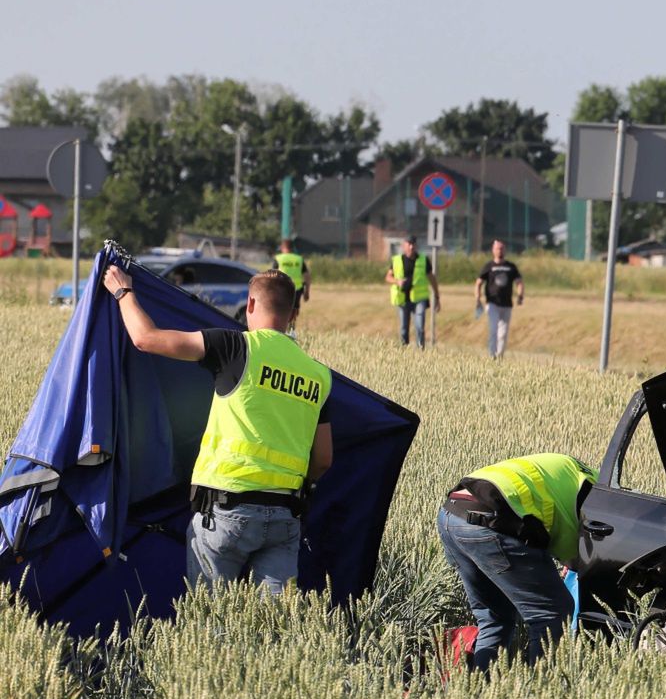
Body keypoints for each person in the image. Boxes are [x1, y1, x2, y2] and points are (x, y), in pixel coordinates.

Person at [100, 265, 333, 593]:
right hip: (285, 517)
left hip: (226, 512)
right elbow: (323, 458)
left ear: (250, 304)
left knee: (213, 617)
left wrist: (123, 292)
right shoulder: (318, 375)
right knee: (277, 620)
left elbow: (145, 338)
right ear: (293, 313)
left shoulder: (236, 347)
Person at [437, 453, 598, 670]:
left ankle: (480, 686)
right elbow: (580, 552)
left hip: (451, 514)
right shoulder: (598, 497)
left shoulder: (579, 473)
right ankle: (540, 685)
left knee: (494, 618)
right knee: (552, 612)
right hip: (491, 520)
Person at [385, 236, 439, 349]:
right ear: (404, 246)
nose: (411, 247)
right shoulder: (397, 260)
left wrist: (437, 296)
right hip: (403, 298)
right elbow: (388, 277)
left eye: (413, 244)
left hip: (419, 298)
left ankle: (420, 349)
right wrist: (397, 281)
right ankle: (404, 349)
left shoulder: (424, 260)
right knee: (404, 328)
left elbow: (432, 278)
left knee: (419, 326)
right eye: (409, 244)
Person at [474, 240, 524, 359]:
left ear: (505, 250)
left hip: (507, 304)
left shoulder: (511, 267)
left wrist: (520, 295)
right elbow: (478, 283)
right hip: (492, 303)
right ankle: (492, 356)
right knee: (493, 329)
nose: (500, 251)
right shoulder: (489, 266)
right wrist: (478, 298)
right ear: (493, 250)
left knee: (503, 333)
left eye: (502, 248)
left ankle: (499, 356)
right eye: (497, 248)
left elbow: (519, 282)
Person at [270, 238, 310, 308]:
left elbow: (272, 275)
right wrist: (307, 291)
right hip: (297, 289)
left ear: (282, 248)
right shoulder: (299, 259)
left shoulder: (278, 258)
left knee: (283, 310)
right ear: (292, 248)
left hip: (282, 289)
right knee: (294, 310)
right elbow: (307, 276)